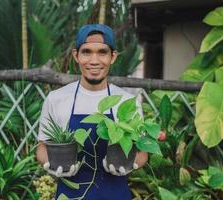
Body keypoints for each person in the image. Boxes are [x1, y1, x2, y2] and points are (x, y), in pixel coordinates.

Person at [36, 24, 148, 200]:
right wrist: (49, 164)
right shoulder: (56, 99)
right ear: (76, 56)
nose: (94, 61)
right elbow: (42, 147)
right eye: (87, 52)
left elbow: (142, 152)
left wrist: (131, 164)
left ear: (113, 57)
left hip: (116, 195)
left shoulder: (127, 101)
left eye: (102, 52)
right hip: (70, 194)